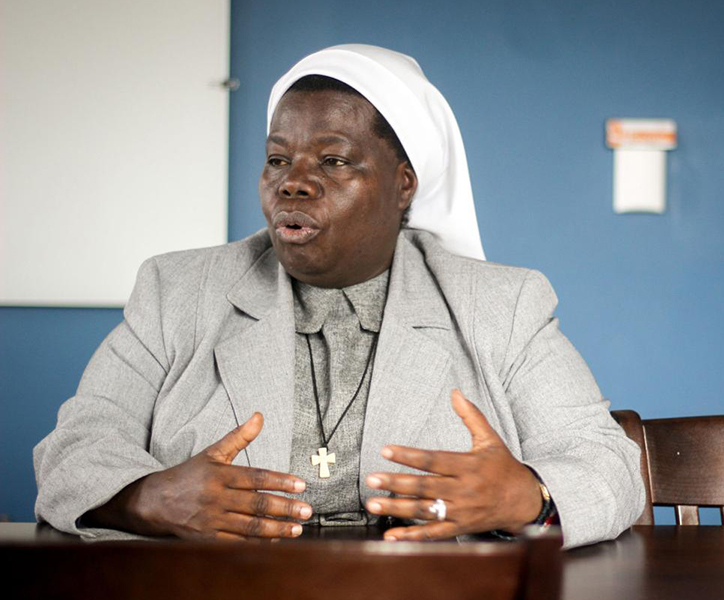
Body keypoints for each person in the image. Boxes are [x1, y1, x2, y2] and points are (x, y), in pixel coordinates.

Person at [33, 44, 644, 549]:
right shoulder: (178, 291)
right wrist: (145, 498)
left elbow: (606, 464)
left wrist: (529, 497)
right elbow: (75, 450)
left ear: (404, 185)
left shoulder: (501, 305)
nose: (293, 183)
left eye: (333, 160)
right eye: (278, 159)